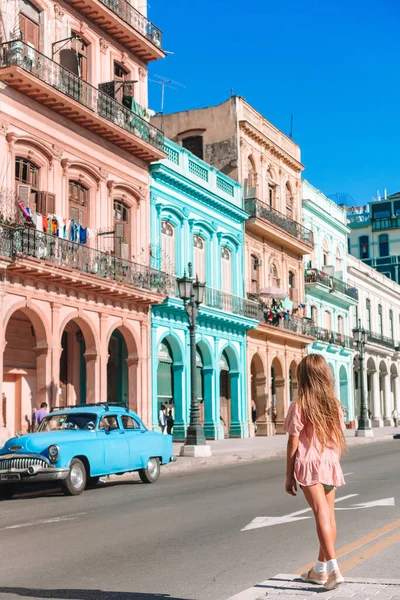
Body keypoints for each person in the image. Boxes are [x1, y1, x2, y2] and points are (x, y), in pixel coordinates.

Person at [284, 354, 346, 591]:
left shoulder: (299, 405)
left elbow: (293, 444)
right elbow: (339, 441)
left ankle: (334, 569)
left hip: (309, 463)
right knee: (328, 514)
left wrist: (289, 476)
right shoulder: (335, 406)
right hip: (330, 462)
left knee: (321, 512)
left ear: (304, 377)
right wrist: (333, 462)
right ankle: (319, 570)